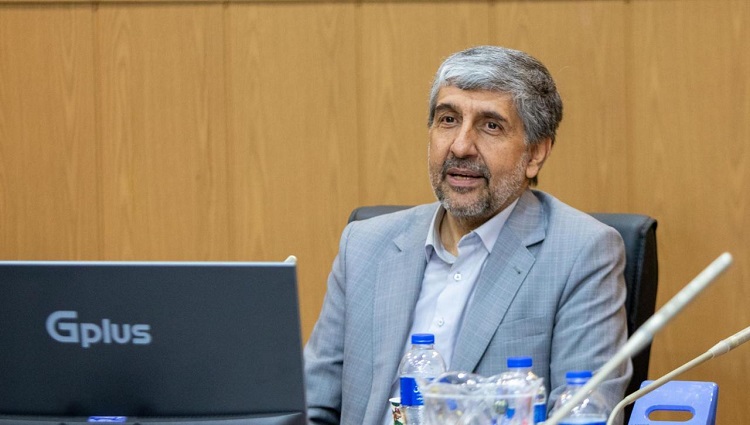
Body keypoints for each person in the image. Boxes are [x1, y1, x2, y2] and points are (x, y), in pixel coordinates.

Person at [303, 45, 631, 425]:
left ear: (535, 154)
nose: (460, 146)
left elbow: (583, 415)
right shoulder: (364, 245)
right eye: (448, 119)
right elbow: (310, 407)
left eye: (491, 126)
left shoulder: (582, 253)